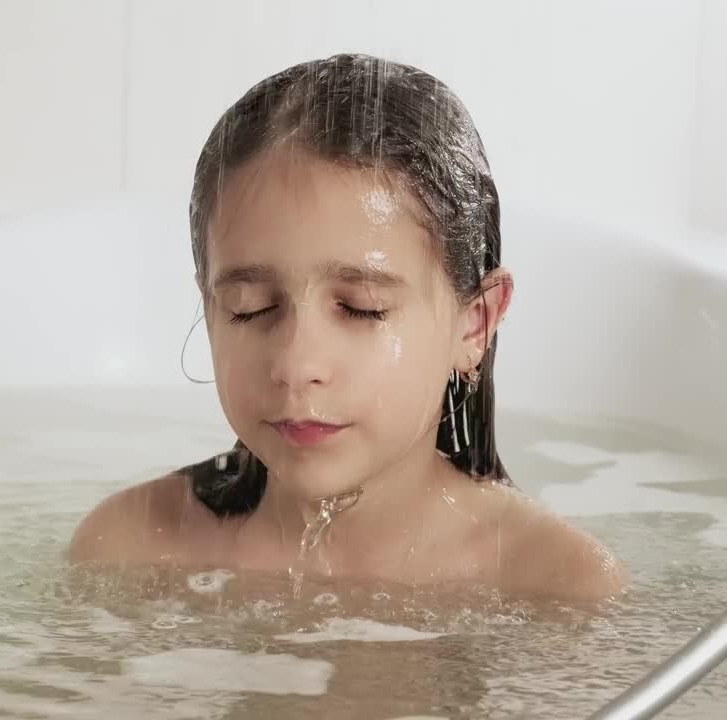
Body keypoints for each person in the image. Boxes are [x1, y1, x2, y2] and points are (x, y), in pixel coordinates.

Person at [69, 53, 626, 602]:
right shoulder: (130, 547)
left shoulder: (556, 587)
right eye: (251, 306)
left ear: (475, 323)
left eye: (362, 308)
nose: (295, 365)